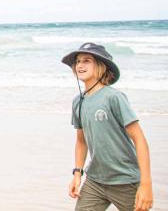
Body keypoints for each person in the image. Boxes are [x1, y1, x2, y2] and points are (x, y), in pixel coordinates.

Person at [62, 42, 153, 211]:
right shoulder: (78, 102)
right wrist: (77, 174)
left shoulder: (114, 97)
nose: (80, 65)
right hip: (95, 180)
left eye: (87, 60)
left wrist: (146, 184)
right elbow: (81, 142)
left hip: (125, 181)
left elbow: (139, 139)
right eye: (78, 61)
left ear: (101, 67)